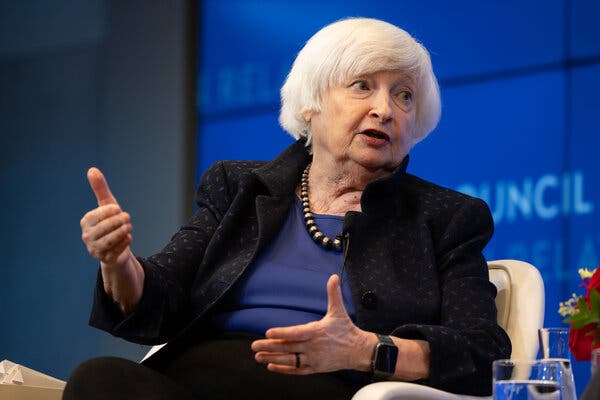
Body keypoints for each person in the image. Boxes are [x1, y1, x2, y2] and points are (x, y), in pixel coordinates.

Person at [65, 17, 511, 399]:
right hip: (198, 378)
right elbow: (160, 298)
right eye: (362, 86)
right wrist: (118, 261)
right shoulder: (238, 186)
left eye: (404, 96)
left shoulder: (447, 217)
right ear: (312, 104)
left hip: (322, 388)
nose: (385, 109)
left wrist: (366, 350)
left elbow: (483, 351)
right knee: (97, 379)